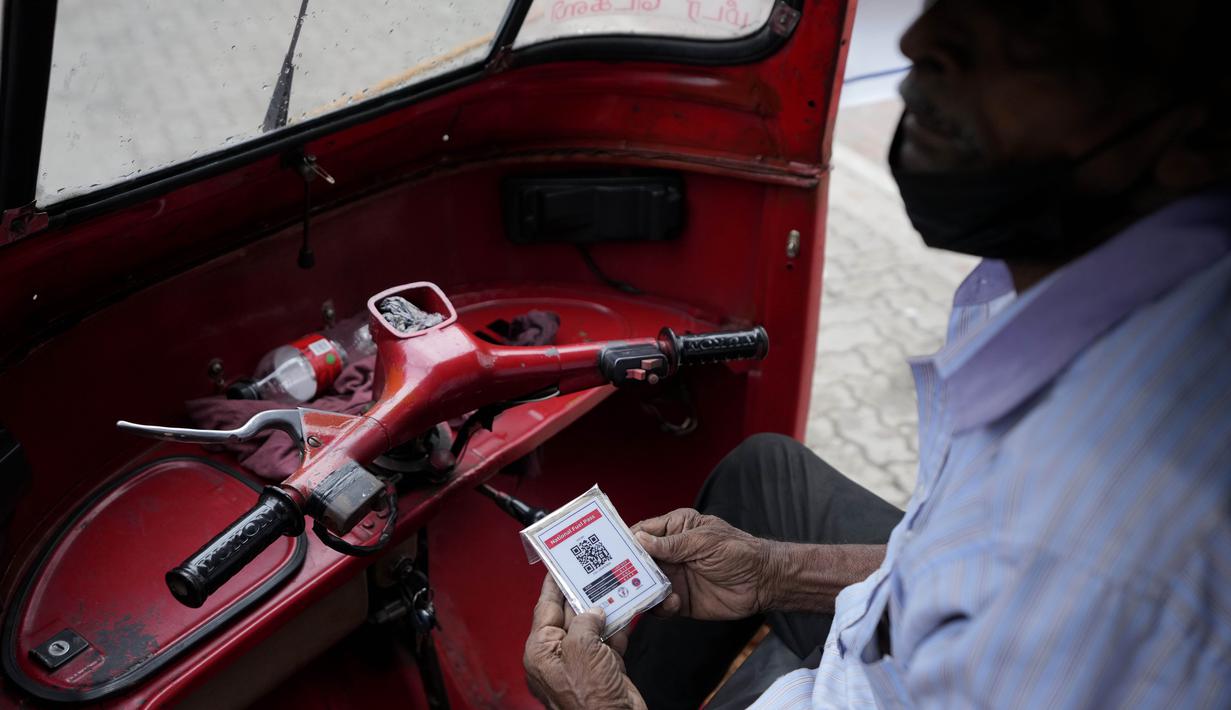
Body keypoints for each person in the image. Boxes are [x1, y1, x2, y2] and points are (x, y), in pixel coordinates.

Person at [523, 0, 1231, 706]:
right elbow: (951, 554)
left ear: (1195, 135)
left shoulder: (1080, 557)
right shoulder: (1084, 287)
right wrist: (772, 573)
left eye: (1030, 28)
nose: (922, 41)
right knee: (763, 473)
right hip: (902, 638)